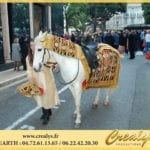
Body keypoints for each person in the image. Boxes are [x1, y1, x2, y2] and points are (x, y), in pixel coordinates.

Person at [26, 39, 60, 125]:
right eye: (31, 45)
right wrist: (30, 77)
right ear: (30, 47)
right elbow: (29, 70)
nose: (33, 47)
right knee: (40, 97)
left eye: (34, 45)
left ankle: (46, 115)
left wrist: (55, 64)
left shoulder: (44, 54)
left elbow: (52, 61)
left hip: (46, 79)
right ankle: (47, 111)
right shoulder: (28, 58)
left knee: (46, 97)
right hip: (36, 80)